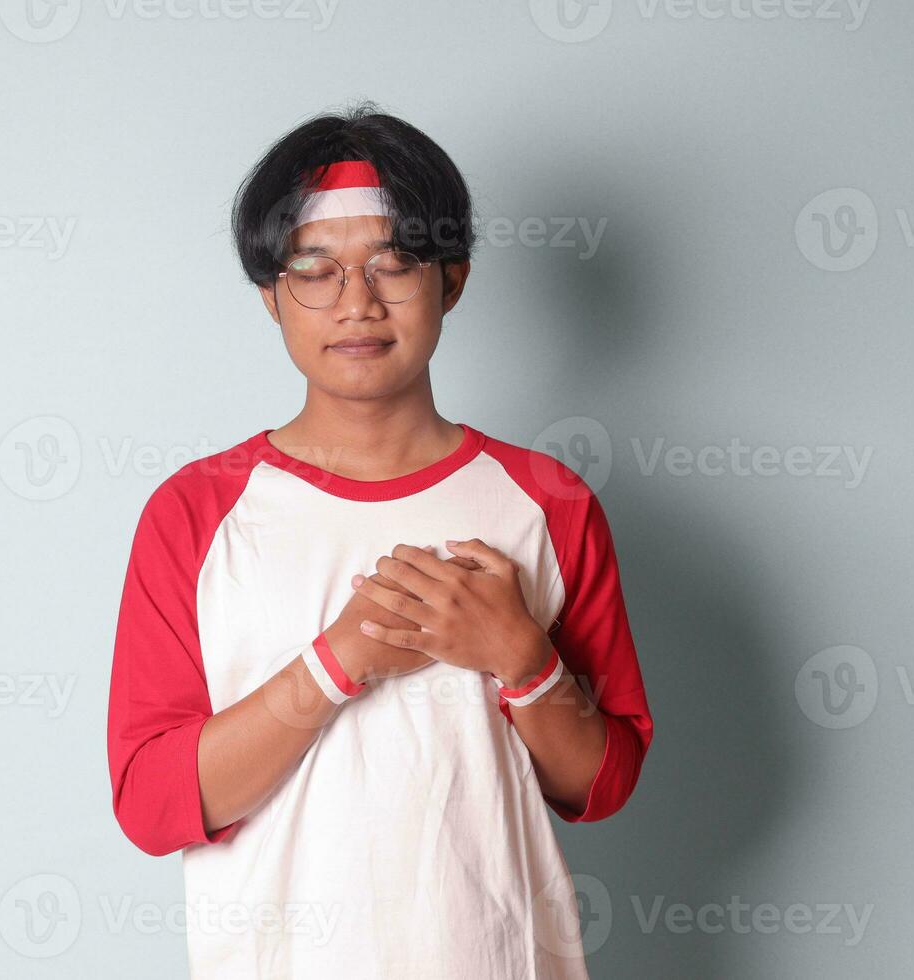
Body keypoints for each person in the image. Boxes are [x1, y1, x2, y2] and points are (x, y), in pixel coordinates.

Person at [106, 102, 654, 979]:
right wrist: (339, 661)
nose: (357, 302)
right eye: (316, 270)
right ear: (271, 295)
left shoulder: (548, 501)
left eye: (395, 263)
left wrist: (522, 657)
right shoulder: (196, 512)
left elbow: (602, 783)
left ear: (454, 279)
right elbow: (152, 802)